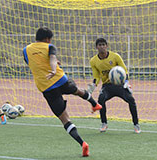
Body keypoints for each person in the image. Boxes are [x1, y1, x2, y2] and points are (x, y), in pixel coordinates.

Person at [22, 26, 102, 157]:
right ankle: (94, 103)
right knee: (77, 90)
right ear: (47, 39)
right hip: (60, 80)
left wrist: (50, 66)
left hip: (47, 88)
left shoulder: (25, 50)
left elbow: (33, 63)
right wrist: (54, 69)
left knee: (65, 120)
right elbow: (52, 58)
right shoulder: (49, 47)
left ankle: (82, 144)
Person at [88, 37, 141, 133]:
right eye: (100, 45)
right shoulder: (93, 61)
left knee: (131, 100)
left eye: (104, 45)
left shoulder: (115, 56)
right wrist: (93, 86)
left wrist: (126, 83)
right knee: (101, 100)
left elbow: (124, 70)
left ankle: (136, 124)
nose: (102, 47)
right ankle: (104, 123)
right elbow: (96, 76)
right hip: (107, 86)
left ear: (107, 46)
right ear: (96, 47)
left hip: (120, 85)